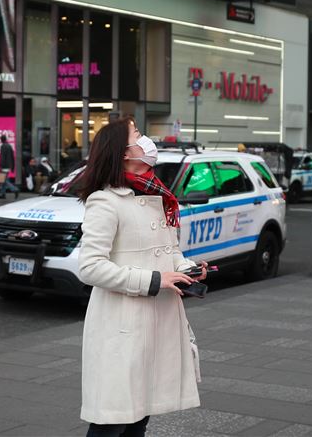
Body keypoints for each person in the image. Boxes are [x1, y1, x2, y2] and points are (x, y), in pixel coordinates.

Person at [75, 119, 205, 436]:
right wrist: (153, 281)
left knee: (138, 418)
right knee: (112, 421)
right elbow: (90, 266)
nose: (146, 140)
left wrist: (186, 268)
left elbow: (170, 251)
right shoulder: (105, 201)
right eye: (138, 134)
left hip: (157, 322)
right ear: (123, 152)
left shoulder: (154, 194)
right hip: (124, 325)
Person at [0, 135, 19, 200]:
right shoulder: (9, 146)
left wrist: (1, 166)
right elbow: (12, 157)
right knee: (4, 180)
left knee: (4, 180)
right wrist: (12, 167)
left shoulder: (3, 146)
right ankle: (2, 194)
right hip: (8, 166)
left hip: (4, 166)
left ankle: (14, 189)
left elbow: (2, 157)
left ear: (1, 140)